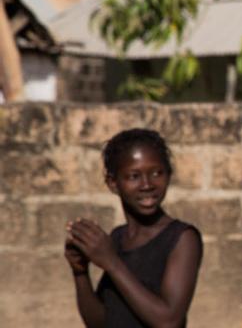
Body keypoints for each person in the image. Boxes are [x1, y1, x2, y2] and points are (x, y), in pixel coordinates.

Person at [64, 128, 203, 327]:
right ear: (113, 183)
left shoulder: (181, 238)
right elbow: (100, 322)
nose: (147, 185)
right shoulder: (118, 238)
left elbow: (169, 321)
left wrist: (111, 262)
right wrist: (80, 271)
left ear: (169, 175)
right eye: (133, 176)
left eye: (157, 173)